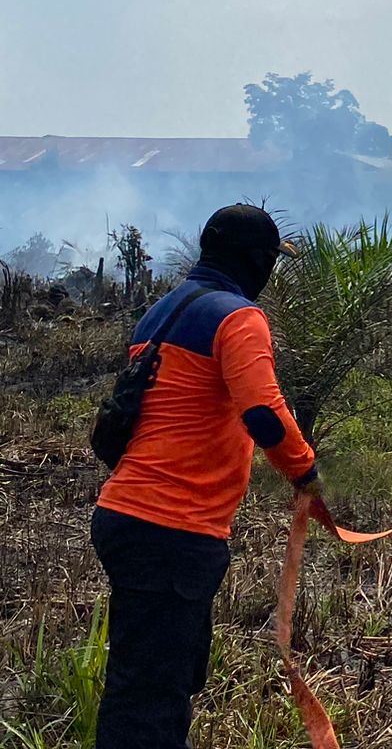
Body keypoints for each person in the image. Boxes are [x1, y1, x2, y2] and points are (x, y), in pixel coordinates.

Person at [92, 204, 320, 749]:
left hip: (131, 516)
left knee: (166, 676)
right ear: (256, 262)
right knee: (148, 693)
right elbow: (263, 413)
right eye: (271, 263)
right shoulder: (238, 317)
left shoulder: (162, 310)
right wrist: (307, 473)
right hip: (171, 528)